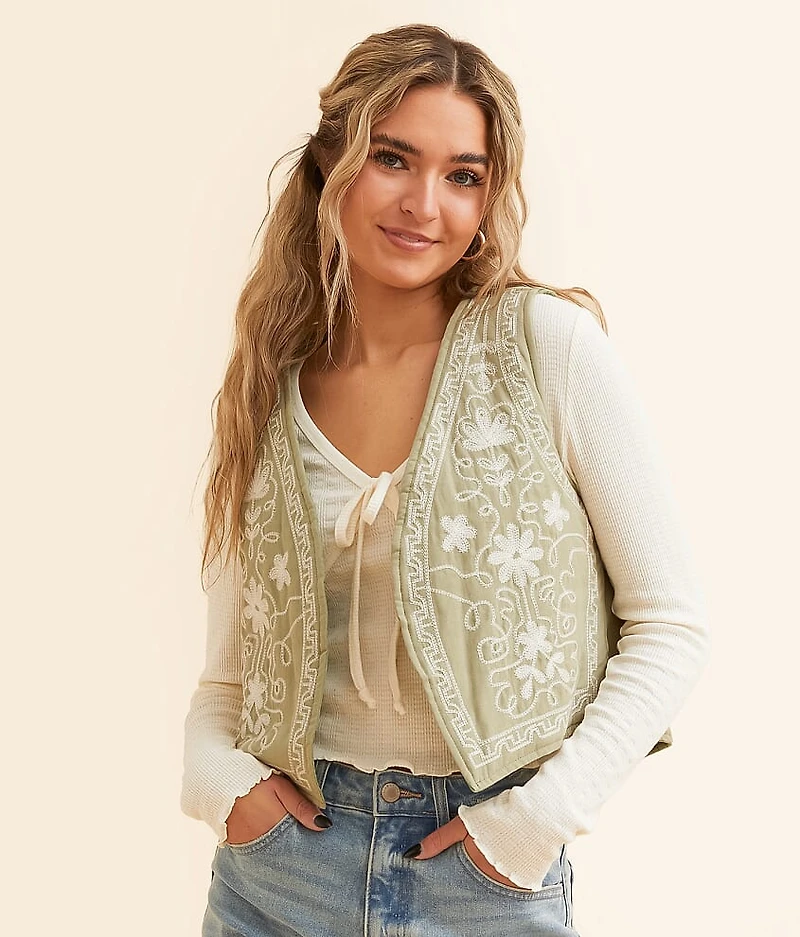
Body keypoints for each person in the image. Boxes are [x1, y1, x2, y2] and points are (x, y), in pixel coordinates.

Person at [180, 23, 711, 937]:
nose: (424, 204)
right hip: (278, 879)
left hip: (481, 874)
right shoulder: (270, 384)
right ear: (332, 159)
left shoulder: (545, 348)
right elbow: (228, 682)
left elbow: (671, 623)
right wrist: (220, 786)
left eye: (463, 175)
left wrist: (534, 823)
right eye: (393, 158)